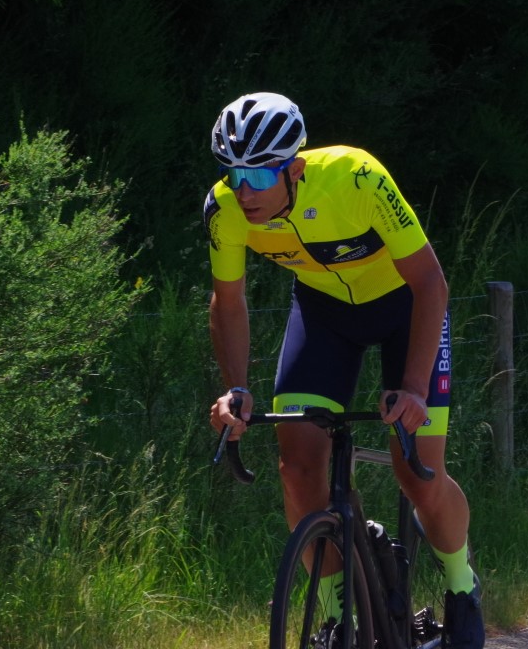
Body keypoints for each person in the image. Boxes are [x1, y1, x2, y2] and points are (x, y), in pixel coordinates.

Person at [205, 92, 486, 648]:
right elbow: (228, 302)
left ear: (295, 169)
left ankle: (462, 583)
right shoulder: (225, 209)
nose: (244, 191)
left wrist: (412, 389)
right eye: (233, 174)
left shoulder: (357, 178)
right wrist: (235, 388)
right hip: (324, 317)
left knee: (418, 473)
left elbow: (431, 283)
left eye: (258, 176)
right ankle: (340, 615)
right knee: (297, 468)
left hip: (405, 307)